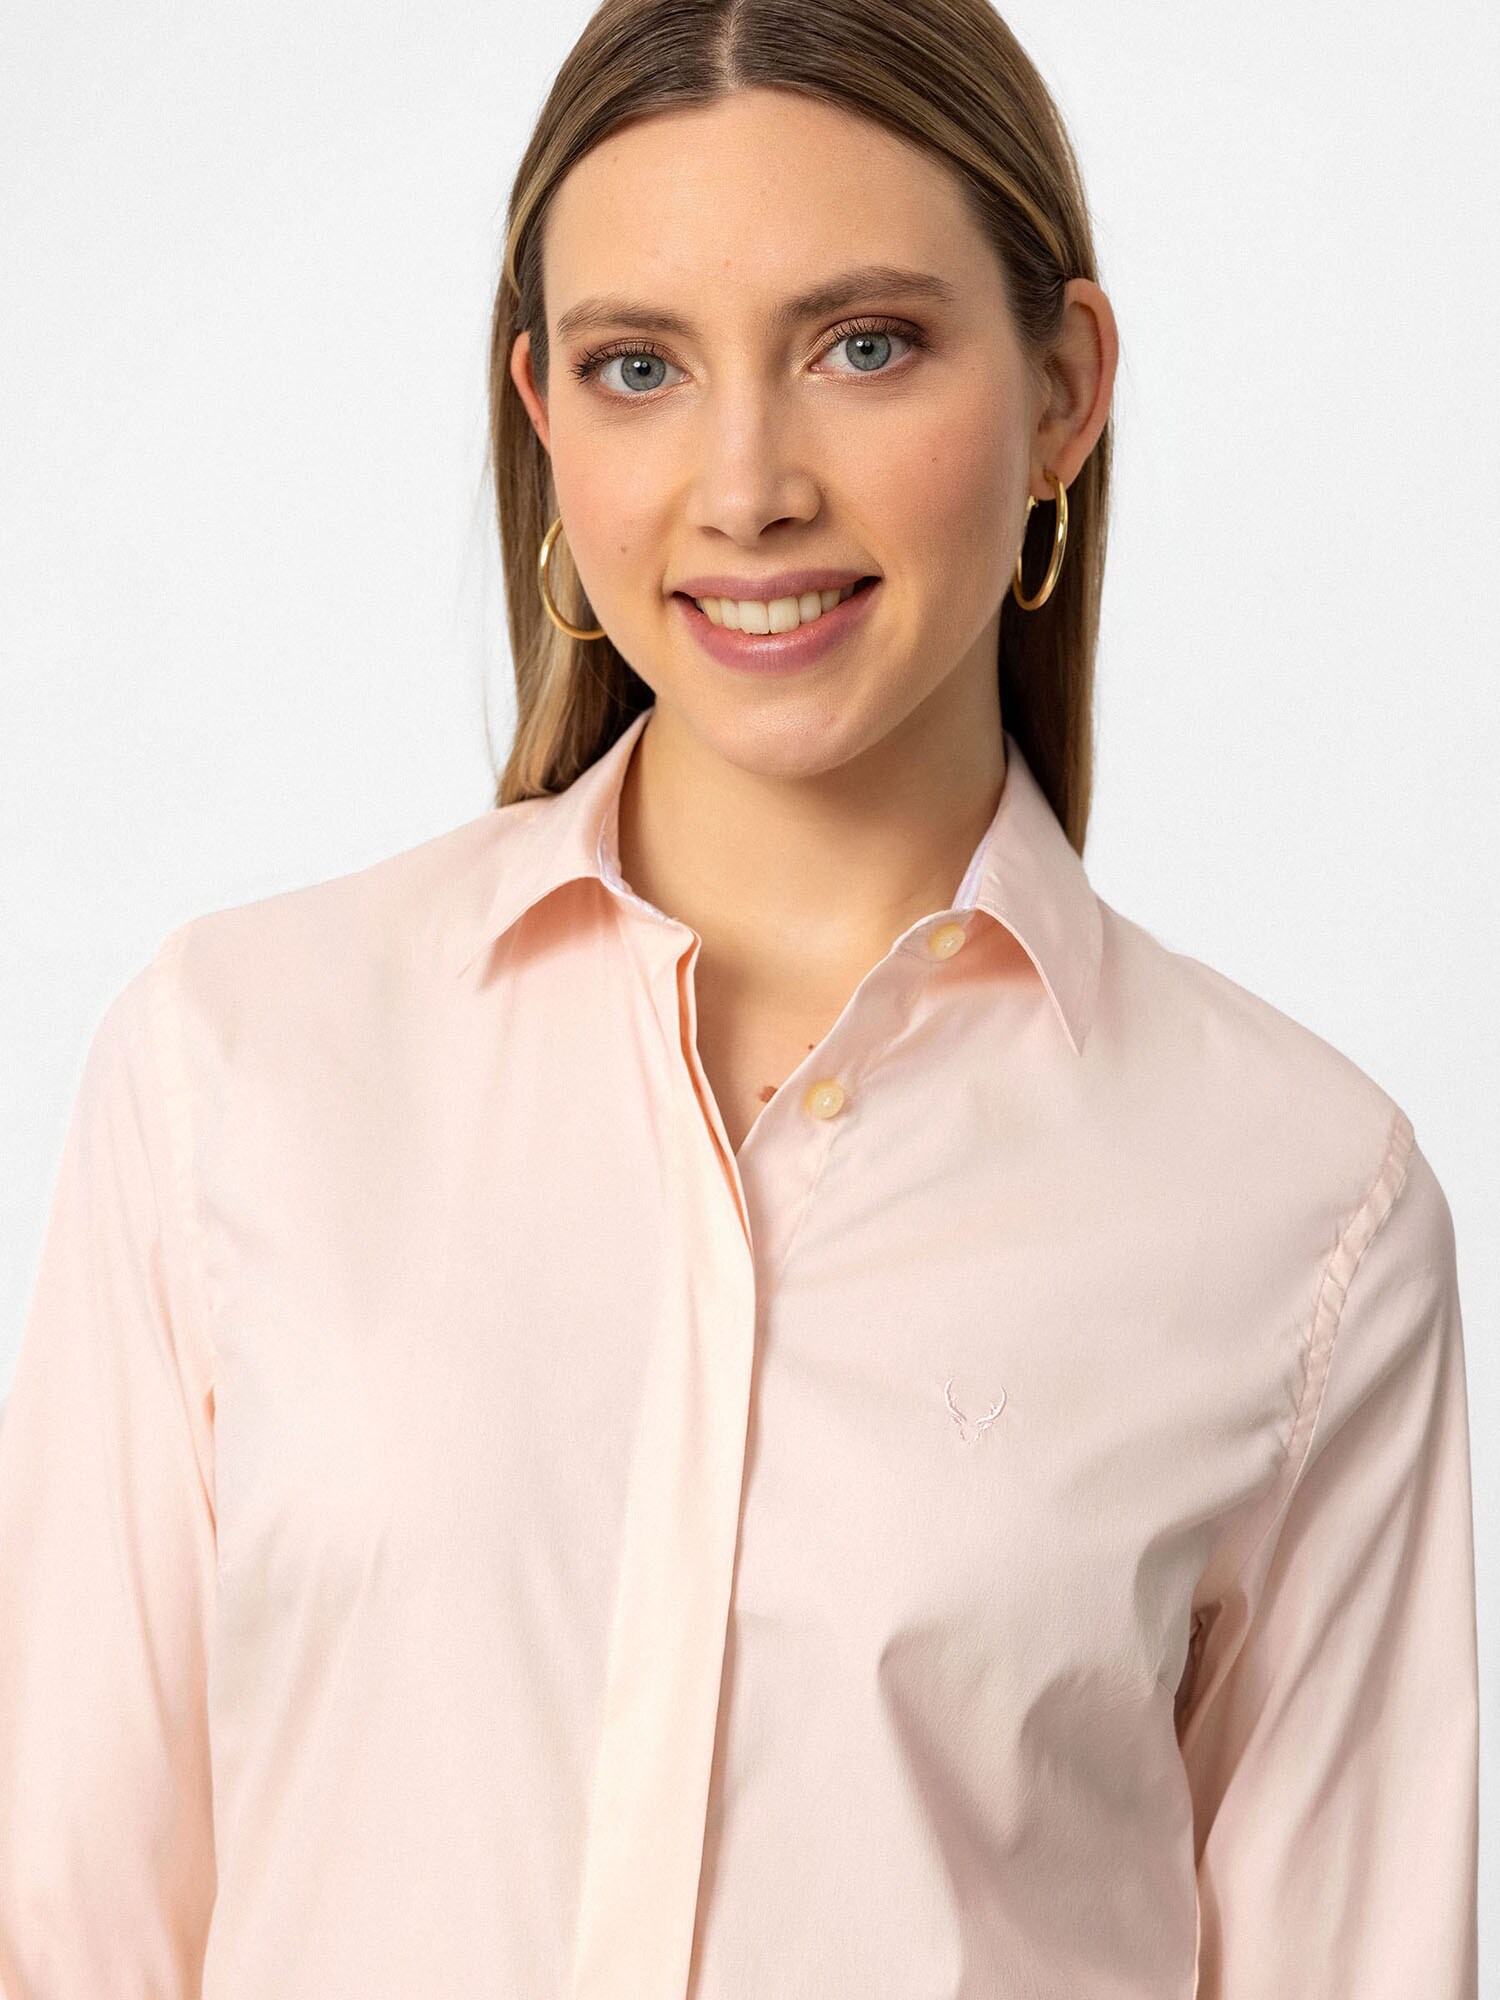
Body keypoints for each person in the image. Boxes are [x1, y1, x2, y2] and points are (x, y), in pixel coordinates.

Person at [0, 1, 1479, 1995]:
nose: (748, 484)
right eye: (640, 367)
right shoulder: (236, 1066)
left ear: (1064, 389)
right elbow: (67, 1930)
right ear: (544, 414)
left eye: (864, 346)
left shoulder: (1302, 1208)